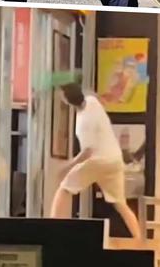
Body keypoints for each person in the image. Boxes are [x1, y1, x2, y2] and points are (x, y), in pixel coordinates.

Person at [51, 82, 142, 243]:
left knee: (65, 188)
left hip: (97, 161)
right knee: (120, 203)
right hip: (114, 160)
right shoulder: (92, 102)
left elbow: (87, 152)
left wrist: (67, 166)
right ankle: (140, 239)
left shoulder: (83, 123)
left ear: (67, 100)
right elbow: (91, 94)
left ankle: (51, 229)